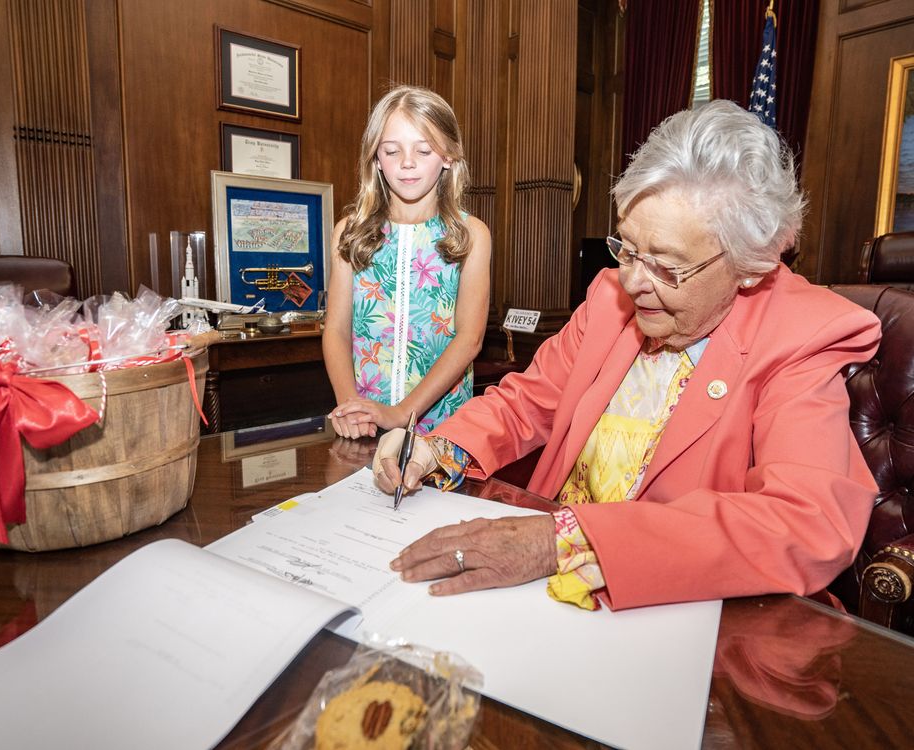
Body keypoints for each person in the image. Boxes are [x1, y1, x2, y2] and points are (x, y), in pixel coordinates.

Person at [372, 99, 883, 612]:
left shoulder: (801, 334)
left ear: (752, 265)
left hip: (680, 609)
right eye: (629, 249)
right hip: (540, 594)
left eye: (666, 266)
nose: (633, 282)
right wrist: (441, 448)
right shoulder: (609, 297)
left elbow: (807, 522)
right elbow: (526, 402)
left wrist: (562, 543)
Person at [322, 86, 491, 440]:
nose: (407, 162)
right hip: (365, 426)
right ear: (376, 159)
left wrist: (401, 413)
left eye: (423, 149)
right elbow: (336, 329)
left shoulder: (471, 235)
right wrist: (352, 407)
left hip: (443, 431)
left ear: (448, 155)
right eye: (392, 150)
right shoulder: (349, 233)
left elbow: (470, 338)